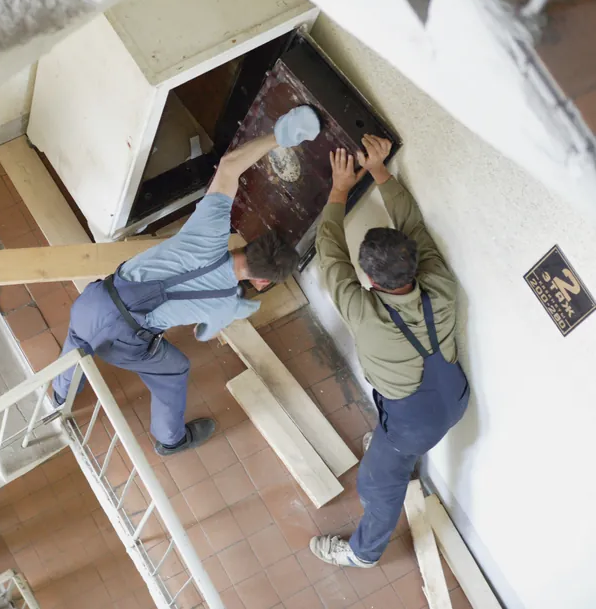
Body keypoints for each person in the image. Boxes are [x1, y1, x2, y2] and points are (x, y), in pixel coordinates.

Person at [51, 106, 322, 456]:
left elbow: (228, 167)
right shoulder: (231, 305)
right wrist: (231, 309)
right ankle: (170, 440)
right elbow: (202, 333)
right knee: (175, 370)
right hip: (126, 343)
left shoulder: (210, 230)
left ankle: (60, 394)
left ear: (249, 243)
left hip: (93, 303)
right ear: (262, 283)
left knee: (79, 339)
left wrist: (280, 135)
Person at [309, 135, 469, 568]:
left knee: (377, 486)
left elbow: (328, 255)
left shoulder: (365, 314)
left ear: (371, 282)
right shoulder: (440, 283)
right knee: (394, 440)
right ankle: (395, 448)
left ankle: (363, 553)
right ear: (414, 263)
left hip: (415, 425)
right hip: (454, 398)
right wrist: (379, 168)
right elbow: (412, 224)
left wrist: (340, 187)